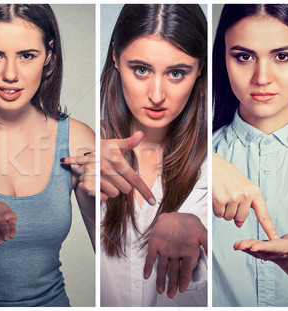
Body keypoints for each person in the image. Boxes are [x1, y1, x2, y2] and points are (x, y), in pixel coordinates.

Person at [0, 4, 95, 307]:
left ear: (49, 57)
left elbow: (114, 261)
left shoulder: (77, 139)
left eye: (27, 55)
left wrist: (102, 199)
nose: (10, 74)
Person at [77, 4, 208, 307]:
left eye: (176, 73)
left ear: (199, 69)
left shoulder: (216, 161)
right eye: (141, 69)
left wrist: (198, 226)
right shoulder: (86, 148)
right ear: (115, 58)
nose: (157, 95)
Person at [211, 4, 288, 307]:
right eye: (244, 57)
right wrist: (201, 161)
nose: (261, 77)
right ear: (224, 57)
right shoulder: (193, 159)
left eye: (282, 56)